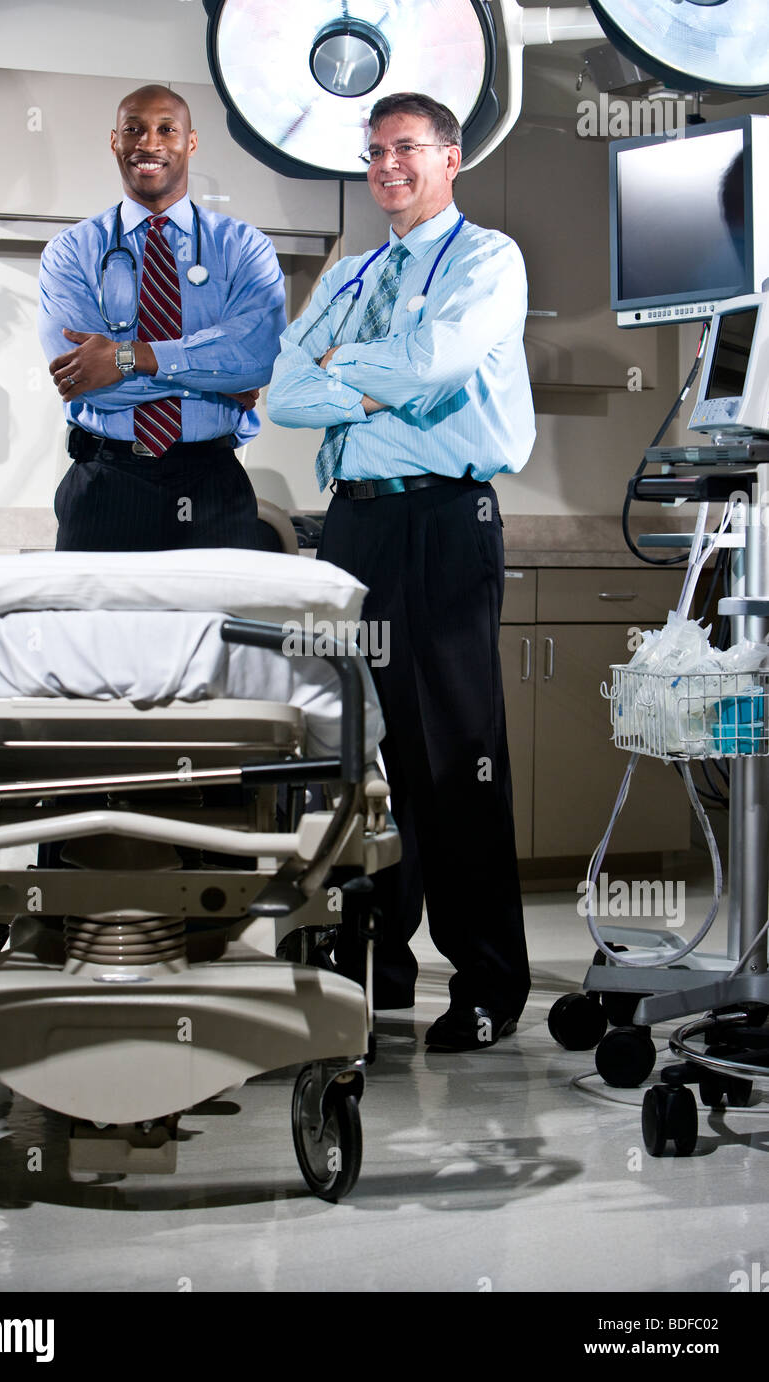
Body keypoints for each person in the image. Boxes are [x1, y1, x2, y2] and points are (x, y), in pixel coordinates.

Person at [267, 91, 536, 1051]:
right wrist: (362, 371)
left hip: (441, 521)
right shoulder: (350, 273)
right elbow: (283, 394)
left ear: (451, 158)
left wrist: (347, 371)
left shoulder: (487, 261)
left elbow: (438, 362)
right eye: (375, 150)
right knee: (359, 762)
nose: (387, 165)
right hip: (354, 531)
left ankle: (489, 986)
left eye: (407, 148)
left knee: (454, 760)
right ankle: (374, 969)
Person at [37, 84, 286, 551]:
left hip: (213, 488)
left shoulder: (244, 247)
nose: (149, 144)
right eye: (134, 129)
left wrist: (130, 356)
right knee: (98, 626)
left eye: (166, 130)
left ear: (190, 142)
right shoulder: (70, 252)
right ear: (115, 141)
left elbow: (257, 359)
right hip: (104, 486)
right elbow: (90, 380)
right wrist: (214, 379)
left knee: (215, 625)